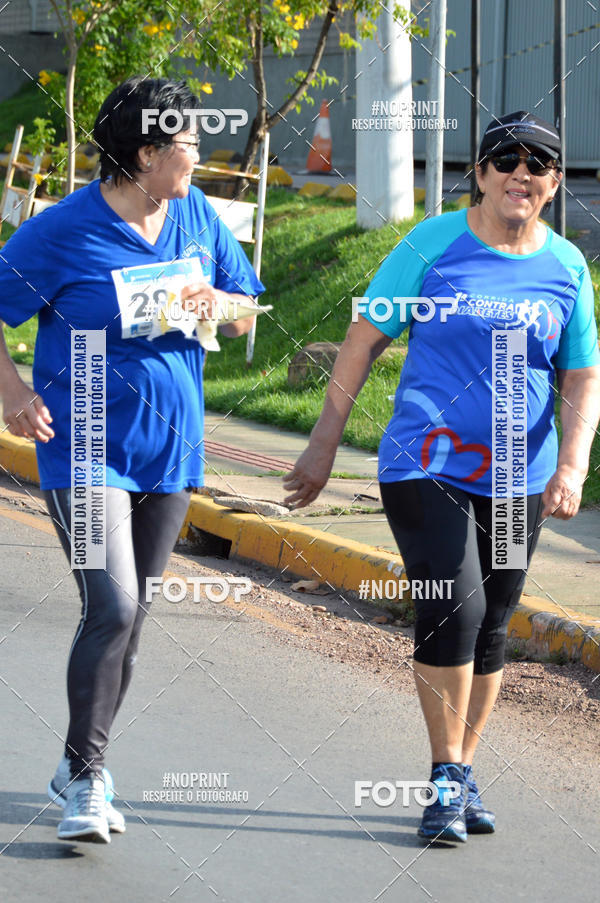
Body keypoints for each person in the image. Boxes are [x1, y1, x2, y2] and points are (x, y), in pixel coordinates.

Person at [283, 111, 600, 843]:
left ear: (554, 183)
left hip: (523, 470)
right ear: (482, 174)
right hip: (426, 459)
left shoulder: (567, 267)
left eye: (540, 164)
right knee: (453, 605)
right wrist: (324, 441)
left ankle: (462, 768)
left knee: (494, 621)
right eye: (507, 160)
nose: (523, 173)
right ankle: (443, 772)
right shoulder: (432, 243)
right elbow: (364, 338)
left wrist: (575, 463)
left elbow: (582, 374)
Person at [0, 77, 265, 843]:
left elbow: (246, 299)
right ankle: (87, 782)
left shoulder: (195, 215)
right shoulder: (62, 231)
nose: (199, 157)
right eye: (188, 146)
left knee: (132, 620)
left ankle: (80, 759)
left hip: (170, 449)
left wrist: (216, 303)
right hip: (81, 448)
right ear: (147, 154)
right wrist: (13, 391)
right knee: (111, 605)